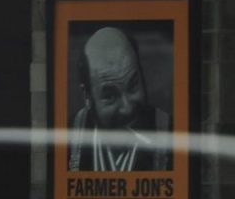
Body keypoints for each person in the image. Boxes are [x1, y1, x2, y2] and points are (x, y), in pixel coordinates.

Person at [68, 26, 171, 172]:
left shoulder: (172, 135)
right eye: (110, 96)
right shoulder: (66, 140)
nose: (127, 108)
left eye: (133, 86)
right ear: (87, 96)